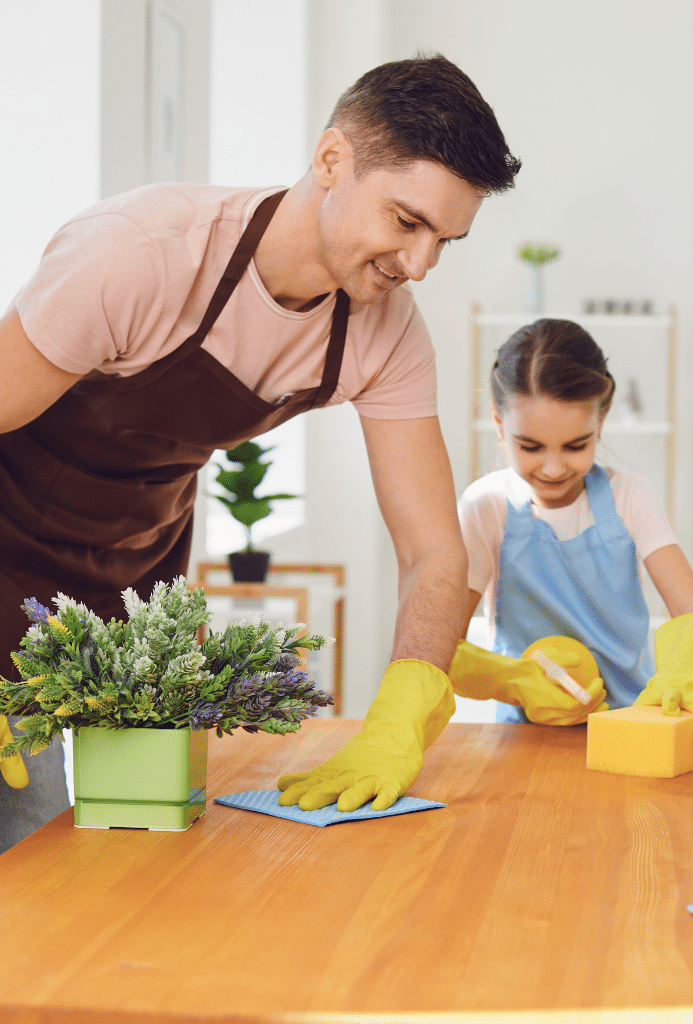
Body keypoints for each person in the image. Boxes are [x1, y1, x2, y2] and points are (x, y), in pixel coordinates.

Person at [0, 55, 520, 849]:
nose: (420, 265)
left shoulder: (385, 333)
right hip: (7, 560)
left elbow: (433, 553)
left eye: (445, 240)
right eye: (406, 222)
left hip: (132, 574)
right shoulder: (141, 256)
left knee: (129, 851)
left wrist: (403, 710)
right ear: (331, 160)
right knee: (28, 847)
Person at [446, 318, 693, 747]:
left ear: (602, 418)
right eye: (530, 446)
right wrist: (515, 681)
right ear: (499, 423)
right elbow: (440, 643)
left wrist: (685, 671)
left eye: (576, 445)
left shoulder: (630, 497)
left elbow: (691, 609)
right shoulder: (485, 509)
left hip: (633, 724)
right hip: (525, 736)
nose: (555, 468)